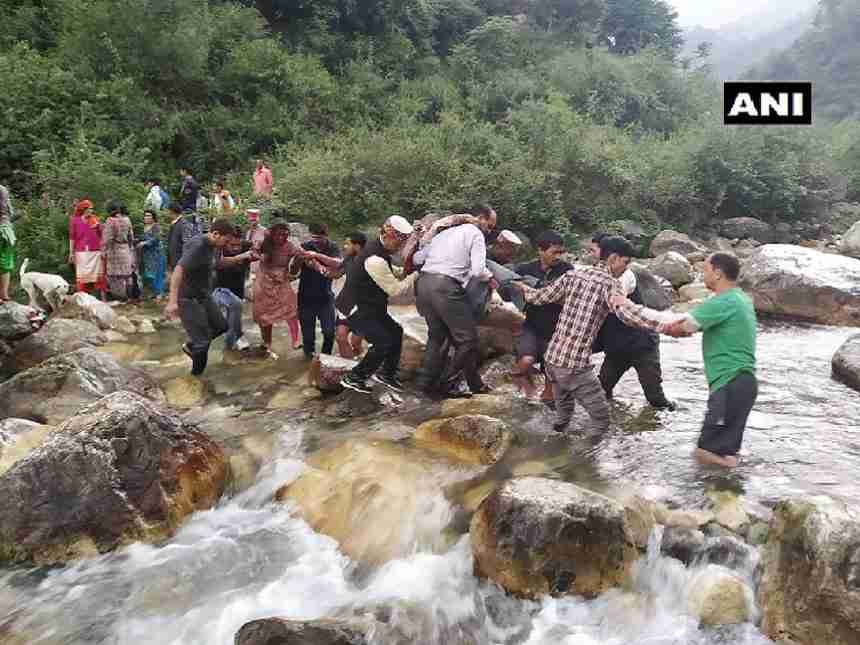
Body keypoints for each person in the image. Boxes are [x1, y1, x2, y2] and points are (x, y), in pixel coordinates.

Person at [511, 236, 665, 434]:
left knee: (563, 414)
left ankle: (555, 445)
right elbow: (628, 315)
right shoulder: (611, 285)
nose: (626, 269)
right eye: (626, 263)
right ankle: (580, 461)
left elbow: (538, 297)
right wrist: (665, 325)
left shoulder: (571, 276)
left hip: (552, 361)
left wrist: (523, 287)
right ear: (614, 258)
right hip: (576, 367)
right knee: (601, 421)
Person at [658, 253, 757, 468]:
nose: (703, 275)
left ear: (718, 273)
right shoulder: (741, 299)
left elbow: (683, 327)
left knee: (703, 453)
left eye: (705, 270)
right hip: (744, 383)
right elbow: (691, 323)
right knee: (725, 452)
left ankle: (737, 478)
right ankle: (727, 493)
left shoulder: (724, 301)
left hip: (729, 383)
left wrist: (645, 319)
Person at [413, 204, 498, 397]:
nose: (490, 230)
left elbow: (418, 259)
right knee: (468, 340)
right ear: (480, 218)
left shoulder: (444, 233)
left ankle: (424, 385)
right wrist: (491, 277)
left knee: (436, 337)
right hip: (445, 287)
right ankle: (445, 386)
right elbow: (478, 270)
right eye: (490, 225)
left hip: (424, 285)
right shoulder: (475, 234)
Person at [594, 237, 675, 411]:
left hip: (643, 345)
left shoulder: (626, 276)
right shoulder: (592, 275)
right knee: (601, 392)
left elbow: (615, 299)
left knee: (656, 399)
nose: (595, 257)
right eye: (593, 252)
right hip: (617, 347)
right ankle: (611, 422)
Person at [339, 216, 419, 394]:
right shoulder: (374, 258)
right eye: (398, 244)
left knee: (396, 331)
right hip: (357, 308)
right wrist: (415, 276)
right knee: (382, 341)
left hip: (372, 306)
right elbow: (395, 290)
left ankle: (387, 374)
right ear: (390, 237)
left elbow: (388, 271)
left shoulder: (378, 249)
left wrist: (403, 271)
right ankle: (354, 377)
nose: (399, 248)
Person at [165, 218, 233, 376]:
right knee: (202, 343)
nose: (227, 244)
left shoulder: (212, 245)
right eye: (226, 240)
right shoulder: (199, 246)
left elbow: (217, 263)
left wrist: (242, 257)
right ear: (216, 234)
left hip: (203, 295)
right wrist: (172, 302)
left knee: (221, 326)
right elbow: (178, 271)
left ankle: (191, 346)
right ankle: (196, 378)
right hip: (188, 298)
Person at [511, 231, 572, 402]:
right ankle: (526, 392)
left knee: (550, 376)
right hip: (531, 325)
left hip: (557, 329)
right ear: (540, 250)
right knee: (526, 360)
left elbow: (570, 296)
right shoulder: (525, 269)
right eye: (554, 252)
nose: (559, 256)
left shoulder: (567, 270)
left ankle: (545, 408)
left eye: (561, 252)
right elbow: (509, 287)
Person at [253, 218, 304, 358]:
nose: (282, 238)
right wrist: (259, 257)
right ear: (272, 234)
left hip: (281, 280)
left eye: (285, 235)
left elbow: (300, 255)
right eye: (279, 235)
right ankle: (267, 343)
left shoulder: (290, 246)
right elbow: (253, 253)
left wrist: (300, 259)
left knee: (291, 308)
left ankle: (295, 340)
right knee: (264, 315)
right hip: (264, 281)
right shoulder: (264, 243)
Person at [293, 223, 341, 360]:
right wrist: (298, 260)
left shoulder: (333, 247)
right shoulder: (304, 246)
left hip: (325, 296)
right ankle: (309, 362)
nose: (315, 241)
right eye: (313, 237)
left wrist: (316, 256)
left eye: (319, 238)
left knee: (329, 332)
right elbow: (293, 271)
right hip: (305, 297)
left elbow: (338, 263)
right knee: (308, 337)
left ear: (326, 236)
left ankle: (325, 360)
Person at [212, 226, 255, 352]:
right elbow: (218, 264)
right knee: (227, 317)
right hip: (219, 287)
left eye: (238, 245)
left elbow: (262, 247)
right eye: (232, 245)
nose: (236, 248)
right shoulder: (219, 248)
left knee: (236, 315)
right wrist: (241, 257)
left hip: (238, 286)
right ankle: (229, 346)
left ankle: (235, 339)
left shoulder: (247, 245)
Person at [333, 232, 367, 359]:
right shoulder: (348, 259)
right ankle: (348, 369)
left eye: (347, 244)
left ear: (357, 246)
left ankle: (358, 356)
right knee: (340, 337)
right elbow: (336, 274)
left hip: (362, 308)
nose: (344, 247)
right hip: (345, 304)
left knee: (355, 342)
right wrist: (318, 266)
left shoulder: (371, 262)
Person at [68, 199, 107, 300]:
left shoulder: (95, 219)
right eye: (89, 209)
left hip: (95, 251)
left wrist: (99, 227)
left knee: (98, 277)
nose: (91, 211)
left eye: (92, 209)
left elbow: (102, 235)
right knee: (82, 277)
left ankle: (102, 300)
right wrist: (71, 253)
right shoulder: (74, 220)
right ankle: (84, 300)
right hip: (81, 252)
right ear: (83, 210)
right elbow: (72, 237)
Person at [102, 202, 136, 301]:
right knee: (127, 274)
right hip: (125, 249)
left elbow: (107, 238)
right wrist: (130, 249)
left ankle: (120, 297)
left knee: (115, 276)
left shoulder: (110, 221)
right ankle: (130, 296)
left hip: (114, 249)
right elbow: (131, 237)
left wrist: (104, 250)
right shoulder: (127, 220)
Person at [136, 210, 167, 299]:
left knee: (158, 273)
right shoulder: (144, 227)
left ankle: (159, 293)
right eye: (145, 216)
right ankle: (154, 291)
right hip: (147, 254)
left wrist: (145, 243)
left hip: (156, 253)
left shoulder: (156, 226)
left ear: (153, 217)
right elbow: (142, 238)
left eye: (149, 215)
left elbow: (156, 238)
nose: (147, 217)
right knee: (148, 274)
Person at [167, 205, 202, 273]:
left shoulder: (183, 224)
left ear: (172, 212)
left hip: (180, 260)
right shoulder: (174, 224)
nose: (167, 214)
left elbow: (187, 242)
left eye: (168, 212)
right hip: (174, 259)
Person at [0, 184, 16, 302]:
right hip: (7, 230)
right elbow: (10, 211)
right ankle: (4, 294)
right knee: (5, 262)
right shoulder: (3, 189)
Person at [244, 208, 267, 278]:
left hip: (261, 267)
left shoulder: (264, 231)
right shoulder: (248, 232)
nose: (252, 222)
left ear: (258, 219)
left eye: (254, 219)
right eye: (251, 220)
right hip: (249, 267)